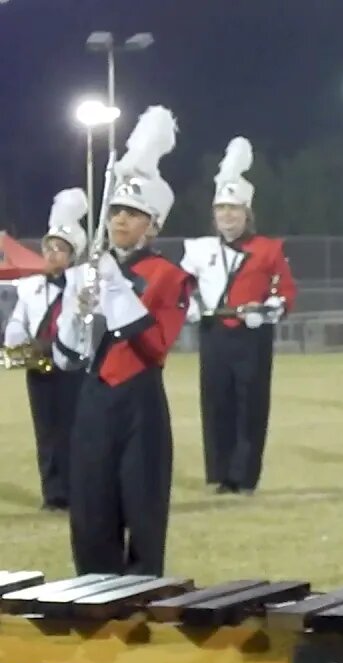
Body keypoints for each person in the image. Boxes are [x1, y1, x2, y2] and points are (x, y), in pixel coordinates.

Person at [51, 106, 190, 575]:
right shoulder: (89, 269)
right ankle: (92, 596)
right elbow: (67, 356)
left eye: (133, 214)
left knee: (143, 512)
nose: (120, 221)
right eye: (115, 212)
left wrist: (113, 288)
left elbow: (154, 347)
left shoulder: (170, 277)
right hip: (93, 398)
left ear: (154, 224)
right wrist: (76, 309)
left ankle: (141, 602)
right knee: (89, 509)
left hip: (140, 403)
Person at [181, 137, 298, 496]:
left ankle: (243, 476)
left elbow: (286, 292)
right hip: (215, 332)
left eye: (234, 209)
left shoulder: (268, 249)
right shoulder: (200, 249)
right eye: (221, 209)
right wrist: (191, 306)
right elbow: (181, 287)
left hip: (250, 336)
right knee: (215, 402)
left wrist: (265, 311)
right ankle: (219, 472)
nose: (227, 216)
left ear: (247, 213)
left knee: (250, 405)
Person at [3, 189, 89, 511]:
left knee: (73, 429)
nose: (53, 254)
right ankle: (53, 493)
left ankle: (76, 490)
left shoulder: (82, 285)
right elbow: (17, 321)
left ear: (73, 253)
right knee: (47, 431)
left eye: (61, 249)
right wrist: (18, 344)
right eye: (49, 247)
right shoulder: (30, 286)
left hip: (71, 365)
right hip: (38, 364)